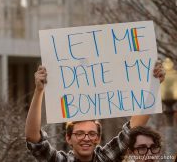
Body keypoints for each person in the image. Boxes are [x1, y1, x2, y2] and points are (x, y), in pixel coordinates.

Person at [25, 61, 165, 162]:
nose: (86, 138)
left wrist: (154, 85)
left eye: (92, 134)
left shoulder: (106, 158)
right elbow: (33, 138)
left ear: (98, 139)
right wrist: (39, 91)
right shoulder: (60, 161)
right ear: (69, 139)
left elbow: (133, 128)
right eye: (79, 133)